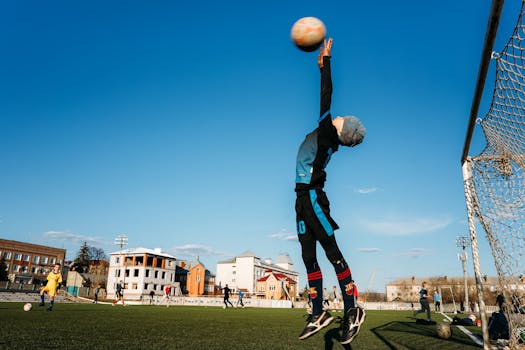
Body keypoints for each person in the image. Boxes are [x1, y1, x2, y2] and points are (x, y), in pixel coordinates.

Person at [295, 38, 366, 344]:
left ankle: (352, 310)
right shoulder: (329, 135)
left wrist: (326, 63)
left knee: (332, 252)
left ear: (341, 130)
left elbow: (326, 95)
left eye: (342, 119)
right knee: (308, 256)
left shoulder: (327, 131)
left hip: (312, 197)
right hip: (301, 199)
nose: (338, 116)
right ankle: (318, 312)